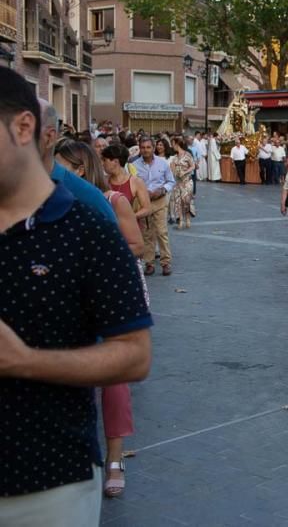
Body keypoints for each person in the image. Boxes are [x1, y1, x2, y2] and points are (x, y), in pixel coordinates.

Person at [0, 69, 152, 524]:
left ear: (23, 128)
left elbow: (134, 357)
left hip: (47, 485)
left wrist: (25, 361)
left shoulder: (88, 227)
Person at [54, 139, 144, 498]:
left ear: (77, 170)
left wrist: (96, 255)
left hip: (105, 297)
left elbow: (136, 245)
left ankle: (115, 458)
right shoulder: (48, 203)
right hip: (65, 301)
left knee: (113, 380)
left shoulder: (111, 201)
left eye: (59, 166)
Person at [135, 137, 175, 276]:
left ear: (153, 148)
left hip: (159, 201)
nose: (145, 150)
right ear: (139, 149)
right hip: (143, 203)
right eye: (143, 147)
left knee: (161, 232)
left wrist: (162, 190)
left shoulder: (162, 163)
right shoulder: (134, 165)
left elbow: (171, 181)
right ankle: (149, 263)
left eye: (148, 147)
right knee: (147, 234)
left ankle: (165, 263)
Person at [168, 136, 196, 229]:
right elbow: (172, 170)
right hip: (178, 182)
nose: (172, 146)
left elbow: (193, 166)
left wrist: (185, 171)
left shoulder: (187, 155)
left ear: (177, 144)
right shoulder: (174, 158)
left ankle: (188, 219)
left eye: (173, 144)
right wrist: (173, 170)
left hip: (187, 181)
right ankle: (180, 221)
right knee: (178, 202)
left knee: (186, 201)